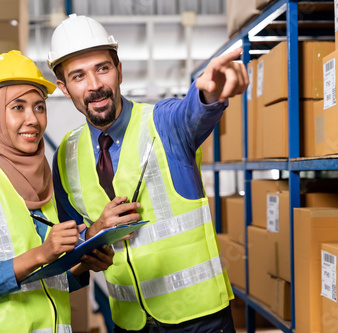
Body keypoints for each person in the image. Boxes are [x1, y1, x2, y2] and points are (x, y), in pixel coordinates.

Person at [49, 14, 248, 333]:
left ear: (120, 70)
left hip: (200, 320)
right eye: (78, 76)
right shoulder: (65, 156)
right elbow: (70, 240)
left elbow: (192, 113)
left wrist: (210, 94)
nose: (96, 85)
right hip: (130, 323)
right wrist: (94, 233)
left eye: (103, 68)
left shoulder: (164, 123)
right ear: (63, 87)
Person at [0, 50, 116, 333]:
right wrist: (42, 253)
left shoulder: (44, 182)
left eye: (39, 107)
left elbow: (43, 283)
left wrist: (86, 259)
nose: (33, 120)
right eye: (18, 107)